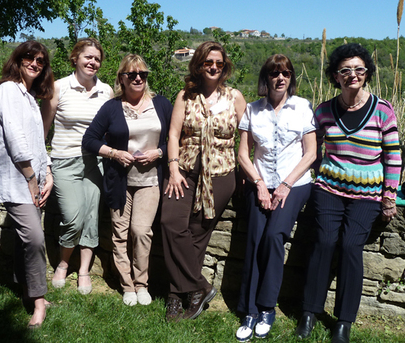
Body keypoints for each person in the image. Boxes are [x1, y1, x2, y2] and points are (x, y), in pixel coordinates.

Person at [295, 43, 401, 343]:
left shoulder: (383, 110)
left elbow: (394, 157)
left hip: (367, 194)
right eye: (344, 70)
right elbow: (311, 151)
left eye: (358, 69)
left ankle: (343, 321)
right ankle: (309, 312)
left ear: (366, 74)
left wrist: (389, 196)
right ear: (335, 76)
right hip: (329, 188)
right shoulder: (324, 111)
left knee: (351, 248)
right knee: (324, 242)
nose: (351, 75)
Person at [161, 41, 246, 322]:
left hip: (221, 174)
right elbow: (173, 135)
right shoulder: (185, 95)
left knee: (197, 235)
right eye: (208, 62)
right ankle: (200, 286)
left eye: (219, 63)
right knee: (171, 223)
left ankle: (177, 296)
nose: (213, 67)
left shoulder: (235, 98)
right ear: (199, 64)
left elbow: (246, 139)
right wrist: (173, 169)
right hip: (184, 169)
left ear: (224, 67)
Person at [235, 55, 317, 342]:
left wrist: (284, 185)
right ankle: (249, 310)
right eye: (274, 73)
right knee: (255, 238)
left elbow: (311, 153)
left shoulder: (302, 107)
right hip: (259, 183)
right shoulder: (253, 110)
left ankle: (267, 306)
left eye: (286, 73)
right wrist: (258, 183)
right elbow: (243, 154)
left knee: (274, 235)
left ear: (291, 78)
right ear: (266, 78)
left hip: (294, 184)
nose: (280, 78)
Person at [82, 54, 172, 306]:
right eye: (131, 74)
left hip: (151, 180)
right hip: (119, 181)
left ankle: (142, 284)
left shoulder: (162, 105)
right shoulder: (112, 107)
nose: (137, 78)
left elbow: (177, 138)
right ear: (121, 78)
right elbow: (89, 140)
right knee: (120, 234)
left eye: (142, 74)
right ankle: (127, 286)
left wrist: (159, 152)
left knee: (141, 231)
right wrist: (113, 152)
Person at [41, 38, 113, 295]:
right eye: (88, 57)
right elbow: (43, 129)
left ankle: (83, 270)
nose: (93, 62)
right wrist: (45, 166)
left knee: (92, 217)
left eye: (97, 59)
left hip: (97, 162)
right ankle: (62, 263)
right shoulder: (58, 87)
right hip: (65, 161)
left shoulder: (106, 91)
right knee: (72, 218)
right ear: (75, 58)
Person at [0, 41, 55, 328]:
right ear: (18, 60)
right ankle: (39, 302)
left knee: (23, 238)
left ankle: (28, 292)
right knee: (34, 238)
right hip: (17, 179)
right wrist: (31, 178)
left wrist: (48, 172)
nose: (35, 64)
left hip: (35, 179)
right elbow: (16, 140)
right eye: (30, 58)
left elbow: (36, 141)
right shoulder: (7, 91)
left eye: (40, 61)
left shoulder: (29, 96)